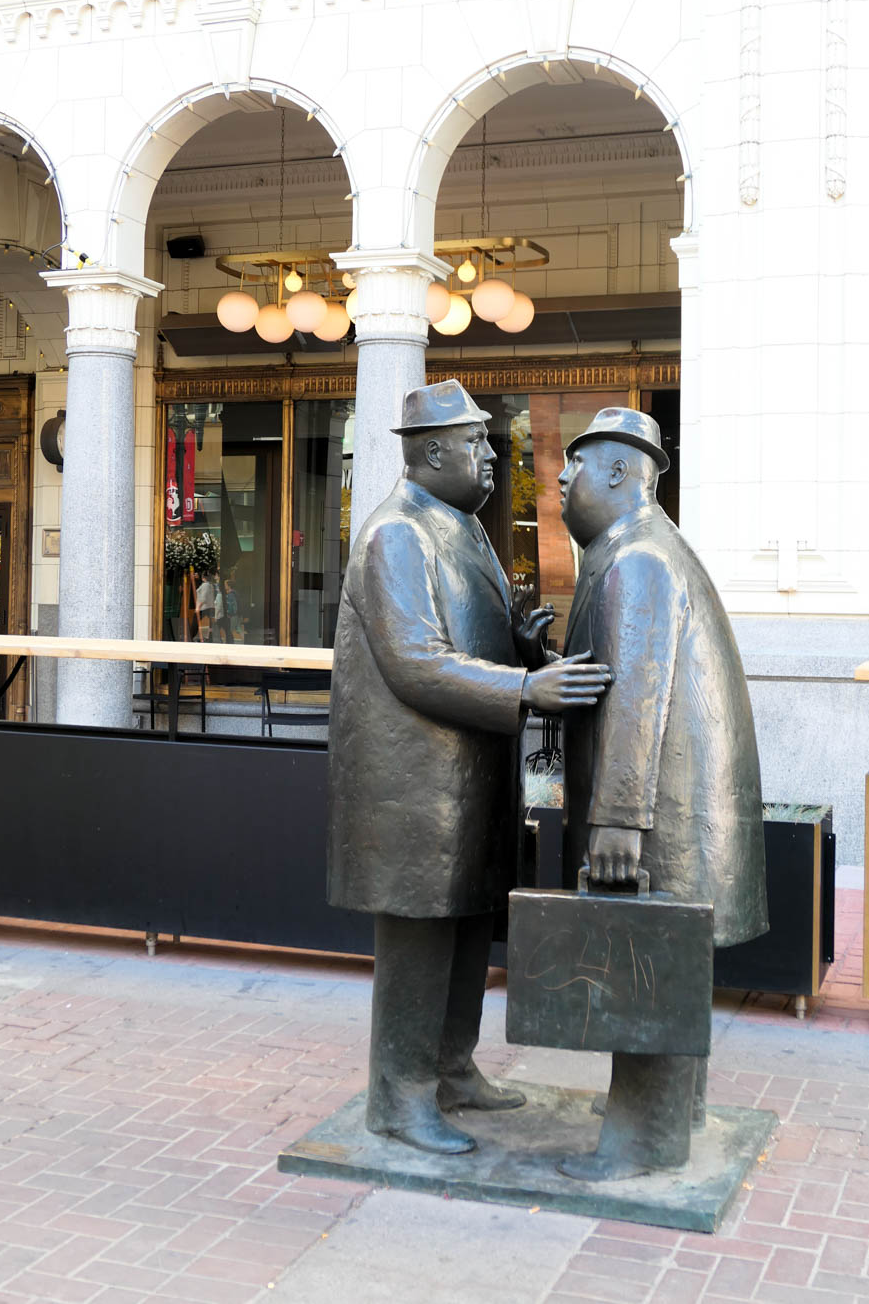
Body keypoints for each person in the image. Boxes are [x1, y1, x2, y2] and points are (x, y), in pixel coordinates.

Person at [327, 379, 611, 1156]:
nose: (491, 454)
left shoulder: (463, 528)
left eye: (488, 439)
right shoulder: (395, 535)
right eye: (477, 443)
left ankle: (452, 1070)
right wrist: (527, 686)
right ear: (429, 452)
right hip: (415, 789)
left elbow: (461, 644)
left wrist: (520, 643)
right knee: (421, 943)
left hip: (473, 780)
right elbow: (416, 663)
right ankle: (400, 1096)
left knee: (467, 928)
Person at [556, 406, 768, 1182]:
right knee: (670, 966)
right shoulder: (642, 551)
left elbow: (638, 696)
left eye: (573, 464)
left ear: (617, 470)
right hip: (675, 812)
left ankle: (642, 1140)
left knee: (645, 963)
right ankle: (675, 1114)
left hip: (656, 818)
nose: (559, 477)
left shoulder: (637, 558)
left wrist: (617, 820)